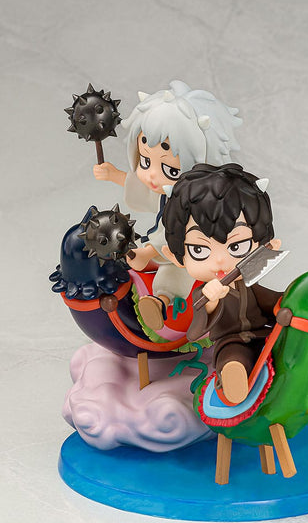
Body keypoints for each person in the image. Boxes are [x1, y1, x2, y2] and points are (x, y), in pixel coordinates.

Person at [93, 80, 241, 330]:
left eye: (171, 169)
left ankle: (160, 302)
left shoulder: (201, 204)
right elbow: (146, 193)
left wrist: (150, 252)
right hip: (159, 246)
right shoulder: (168, 191)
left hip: (191, 253)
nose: (152, 175)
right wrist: (115, 175)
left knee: (173, 274)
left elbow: (177, 234)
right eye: (145, 161)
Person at [161, 163, 283, 404]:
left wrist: (293, 299)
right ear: (175, 256)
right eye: (199, 250)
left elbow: (271, 300)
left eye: (236, 246)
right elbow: (195, 333)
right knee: (233, 358)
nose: (220, 260)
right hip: (232, 341)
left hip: (267, 333)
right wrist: (210, 301)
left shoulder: (248, 282)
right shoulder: (203, 294)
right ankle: (231, 380)